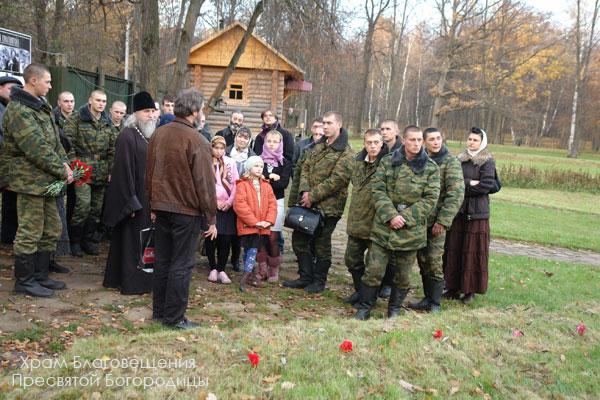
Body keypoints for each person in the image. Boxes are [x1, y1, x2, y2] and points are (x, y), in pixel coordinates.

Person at [146, 88, 217, 330]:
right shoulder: (197, 140)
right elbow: (205, 184)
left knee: (163, 261)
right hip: (186, 211)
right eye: (202, 108)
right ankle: (174, 317)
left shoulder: (159, 134)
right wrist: (211, 218)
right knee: (181, 264)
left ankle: (160, 313)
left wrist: (152, 203)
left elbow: (149, 173)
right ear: (195, 111)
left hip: (162, 207)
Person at [1, 63, 73, 297]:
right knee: (30, 231)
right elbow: (36, 148)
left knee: (52, 228)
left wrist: (66, 164)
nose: (50, 86)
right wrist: (61, 170)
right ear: (33, 81)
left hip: (46, 180)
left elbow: (54, 141)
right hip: (28, 181)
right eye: (48, 81)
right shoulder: (19, 110)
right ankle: (24, 280)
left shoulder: (41, 107)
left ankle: (40, 276)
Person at [354, 126, 440, 320]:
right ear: (404, 140)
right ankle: (365, 307)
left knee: (403, 276)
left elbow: (430, 199)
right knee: (373, 270)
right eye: (413, 140)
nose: (417, 144)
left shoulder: (431, 168)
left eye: (419, 140)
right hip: (384, 228)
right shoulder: (387, 162)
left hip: (411, 232)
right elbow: (378, 190)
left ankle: (394, 309)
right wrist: (392, 215)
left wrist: (405, 218)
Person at [283, 111, 353, 293]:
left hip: (329, 207)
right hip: (308, 202)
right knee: (299, 240)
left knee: (321, 244)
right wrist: (305, 191)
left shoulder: (346, 152)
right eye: (324, 123)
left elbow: (337, 180)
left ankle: (319, 281)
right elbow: (304, 166)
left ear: (339, 124)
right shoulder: (317, 146)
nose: (326, 126)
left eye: (330, 123)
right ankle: (305, 276)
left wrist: (313, 195)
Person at [102, 92, 157, 295]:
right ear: (135, 114)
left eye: (152, 111)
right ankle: (131, 283)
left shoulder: (149, 134)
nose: (150, 115)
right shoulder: (127, 135)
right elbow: (122, 172)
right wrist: (130, 202)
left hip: (147, 198)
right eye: (146, 111)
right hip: (134, 200)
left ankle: (141, 281)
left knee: (143, 243)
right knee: (131, 242)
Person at [408, 127, 464, 313]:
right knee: (422, 260)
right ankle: (427, 297)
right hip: (419, 220)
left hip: (437, 223)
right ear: (424, 142)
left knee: (433, 261)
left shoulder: (450, 162)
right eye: (431, 139)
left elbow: (455, 194)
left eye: (438, 138)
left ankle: (435, 303)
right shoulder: (420, 160)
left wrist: (443, 221)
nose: (436, 142)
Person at [443, 127, 495, 305]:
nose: (471, 142)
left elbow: (487, 185)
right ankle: (452, 287)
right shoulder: (459, 159)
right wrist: (468, 183)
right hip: (458, 211)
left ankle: (469, 290)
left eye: (475, 140)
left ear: (482, 142)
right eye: (470, 139)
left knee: (473, 252)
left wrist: (464, 188)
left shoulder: (487, 161)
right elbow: (452, 181)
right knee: (454, 249)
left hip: (478, 213)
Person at [65, 90, 115, 257]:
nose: (101, 104)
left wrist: (110, 169)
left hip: (101, 170)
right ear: (90, 101)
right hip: (82, 167)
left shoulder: (107, 122)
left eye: (104, 101)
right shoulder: (77, 118)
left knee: (96, 210)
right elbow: (67, 143)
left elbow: (112, 148)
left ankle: (88, 240)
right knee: (82, 206)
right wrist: (73, 164)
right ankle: (75, 241)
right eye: (98, 100)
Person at [344, 129, 387, 306]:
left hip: (377, 224)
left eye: (376, 142)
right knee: (352, 260)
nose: (373, 146)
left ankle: (368, 298)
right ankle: (360, 291)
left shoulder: (388, 164)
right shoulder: (358, 163)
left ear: (382, 144)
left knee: (374, 267)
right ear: (364, 143)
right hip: (357, 221)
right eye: (369, 142)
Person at [233, 156, 277, 292]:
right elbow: (240, 205)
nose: (259, 169)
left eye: (261, 166)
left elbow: (272, 205)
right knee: (251, 250)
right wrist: (254, 222)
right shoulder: (242, 185)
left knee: (252, 250)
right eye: (256, 166)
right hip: (249, 225)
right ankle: (245, 278)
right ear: (249, 168)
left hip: (262, 226)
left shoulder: (267, 185)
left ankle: (250, 275)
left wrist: (268, 221)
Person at [257, 130, 292, 282]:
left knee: (273, 236)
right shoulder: (258, 160)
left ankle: (274, 267)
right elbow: (256, 179)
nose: (271, 144)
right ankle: (262, 266)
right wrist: (271, 178)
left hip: (277, 202)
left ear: (280, 143)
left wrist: (267, 179)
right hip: (259, 201)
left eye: (275, 141)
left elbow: (283, 184)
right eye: (269, 141)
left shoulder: (284, 162)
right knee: (260, 234)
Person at [205, 136, 238, 284]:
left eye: (221, 148)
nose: (219, 151)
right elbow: (203, 184)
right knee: (211, 237)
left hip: (227, 205)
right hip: (212, 205)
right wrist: (214, 202)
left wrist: (230, 202)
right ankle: (212, 267)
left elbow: (236, 183)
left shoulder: (230, 163)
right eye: (216, 148)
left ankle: (222, 268)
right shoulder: (205, 163)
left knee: (226, 237)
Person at [377, 119, 402, 298]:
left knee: (393, 250)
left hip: (397, 205)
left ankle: (389, 283)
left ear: (396, 131)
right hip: (380, 202)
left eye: (388, 129)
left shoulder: (402, 151)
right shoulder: (380, 149)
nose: (384, 132)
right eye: (382, 129)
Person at [226, 126, 255, 271]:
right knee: (225, 229)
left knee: (238, 231)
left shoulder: (252, 156)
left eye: (245, 137)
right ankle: (221, 257)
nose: (242, 140)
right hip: (225, 194)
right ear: (235, 137)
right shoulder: (226, 152)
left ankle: (235, 258)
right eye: (240, 136)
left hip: (243, 197)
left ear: (249, 140)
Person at [51, 91, 76, 260]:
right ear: (59, 103)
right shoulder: (53, 118)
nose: (69, 104)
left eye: (72, 101)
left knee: (66, 208)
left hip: (71, 166)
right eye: (66, 101)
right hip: (55, 169)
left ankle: (58, 253)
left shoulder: (77, 119)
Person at [0, 76, 23, 246]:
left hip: (10, 166)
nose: (14, 93)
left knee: (11, 202)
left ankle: (7, 236)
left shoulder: (14, 108)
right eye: (10, 88)